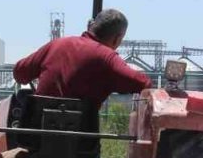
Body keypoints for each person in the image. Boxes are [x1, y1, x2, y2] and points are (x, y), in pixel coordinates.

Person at [12, 8, 151, 107]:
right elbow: (142, 84)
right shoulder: (107, 58)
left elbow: (19, 73)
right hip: (82, 143)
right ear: (117, 38)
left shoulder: (56, 45)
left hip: (36, 136)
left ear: (91, 26)